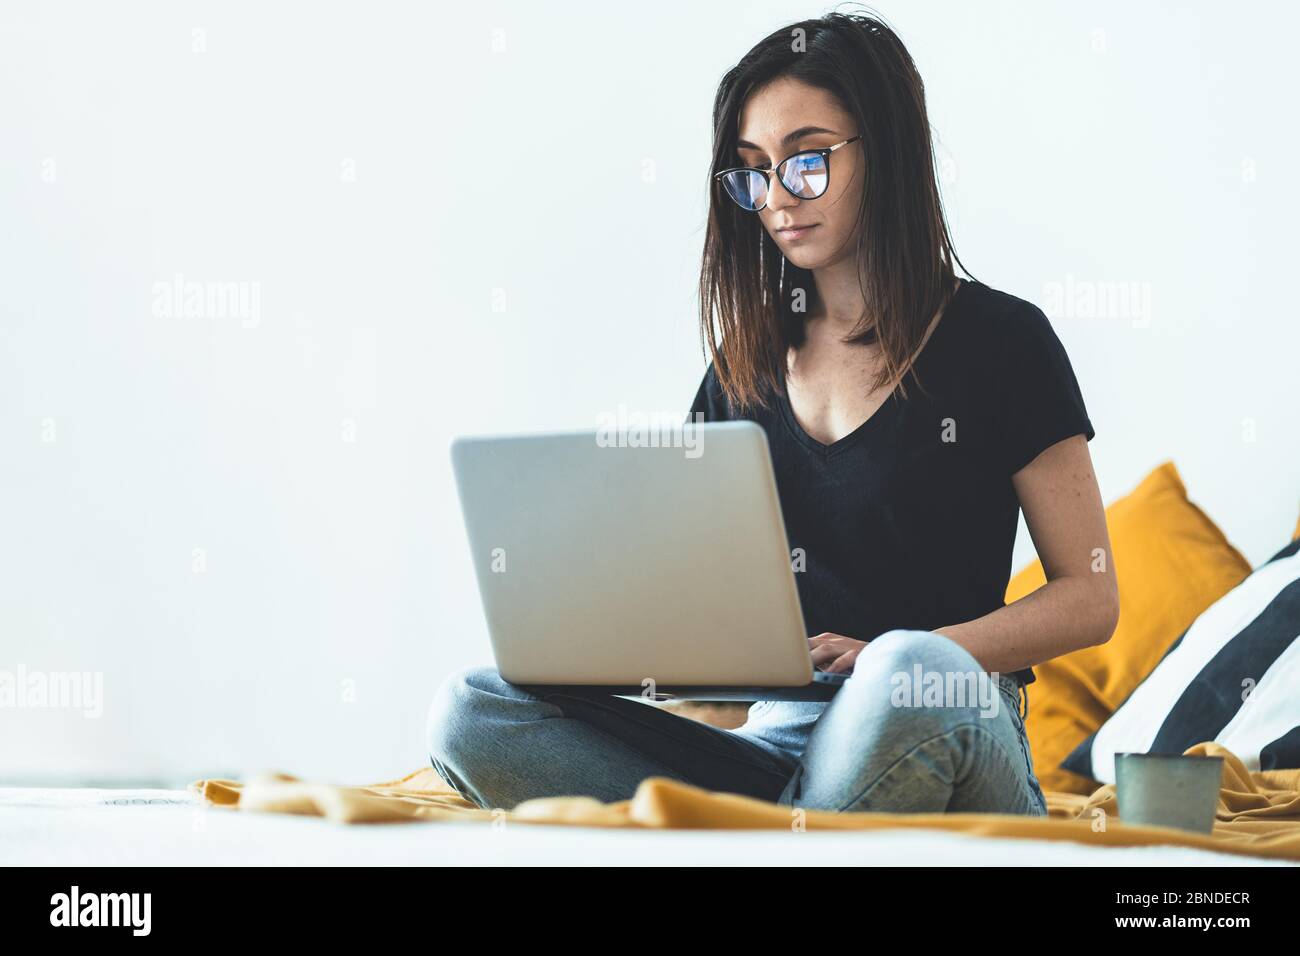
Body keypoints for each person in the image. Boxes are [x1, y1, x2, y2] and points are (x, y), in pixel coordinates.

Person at [427, 11, 1118, 815]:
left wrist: (905, 655)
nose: (778, 197)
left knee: (901, 669)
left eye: (807, 160)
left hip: (938, 710)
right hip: (781, 743)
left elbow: (1089, 598)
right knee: (473, 708)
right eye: (753, 172)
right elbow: (704, 615)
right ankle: (789, 829)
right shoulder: (740, 370)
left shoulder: (1002, 341)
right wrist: (637, 654)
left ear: (885, 151)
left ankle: (767, 831)